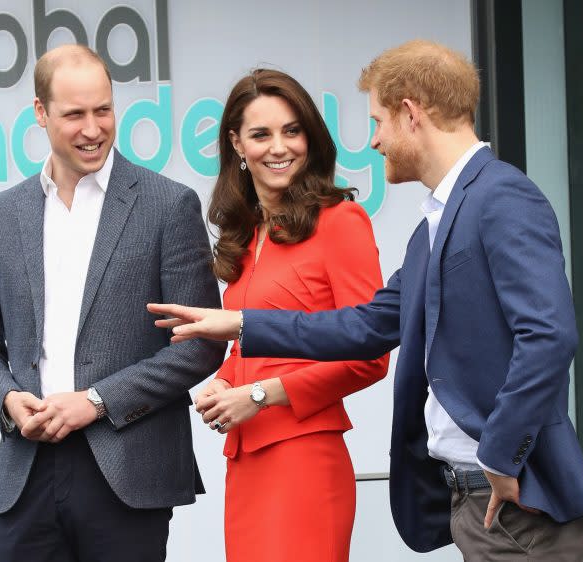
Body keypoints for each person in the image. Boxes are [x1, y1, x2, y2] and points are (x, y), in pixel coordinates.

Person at [147, 41, 583, 560]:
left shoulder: (501, 197)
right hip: (470, 496)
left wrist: (501, 452)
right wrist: (240, 327)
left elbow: (549, 335)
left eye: (379, 121)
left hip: (513, 494)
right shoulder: (435, 226)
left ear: (410, 114)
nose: (375, 139)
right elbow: (364, 326)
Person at [0, 44, 225, 562]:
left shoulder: (169, 205)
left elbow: (200, 344)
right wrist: (10, 401)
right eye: (74, 114)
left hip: (128, 468)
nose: (93, 128)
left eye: (103, 110)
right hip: (26, 468)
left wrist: (96, 401)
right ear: (40, 113)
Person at [182, 68, 388, 562]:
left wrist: (259, 395)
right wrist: (223, 380)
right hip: (246, 461)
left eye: (292, 130)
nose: (279, 147)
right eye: (261, 134)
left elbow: (370, 352)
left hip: (305, 462)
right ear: (237, 144)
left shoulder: (341, 221)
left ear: (310, 138)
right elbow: (252, 343)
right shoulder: (247, 233)